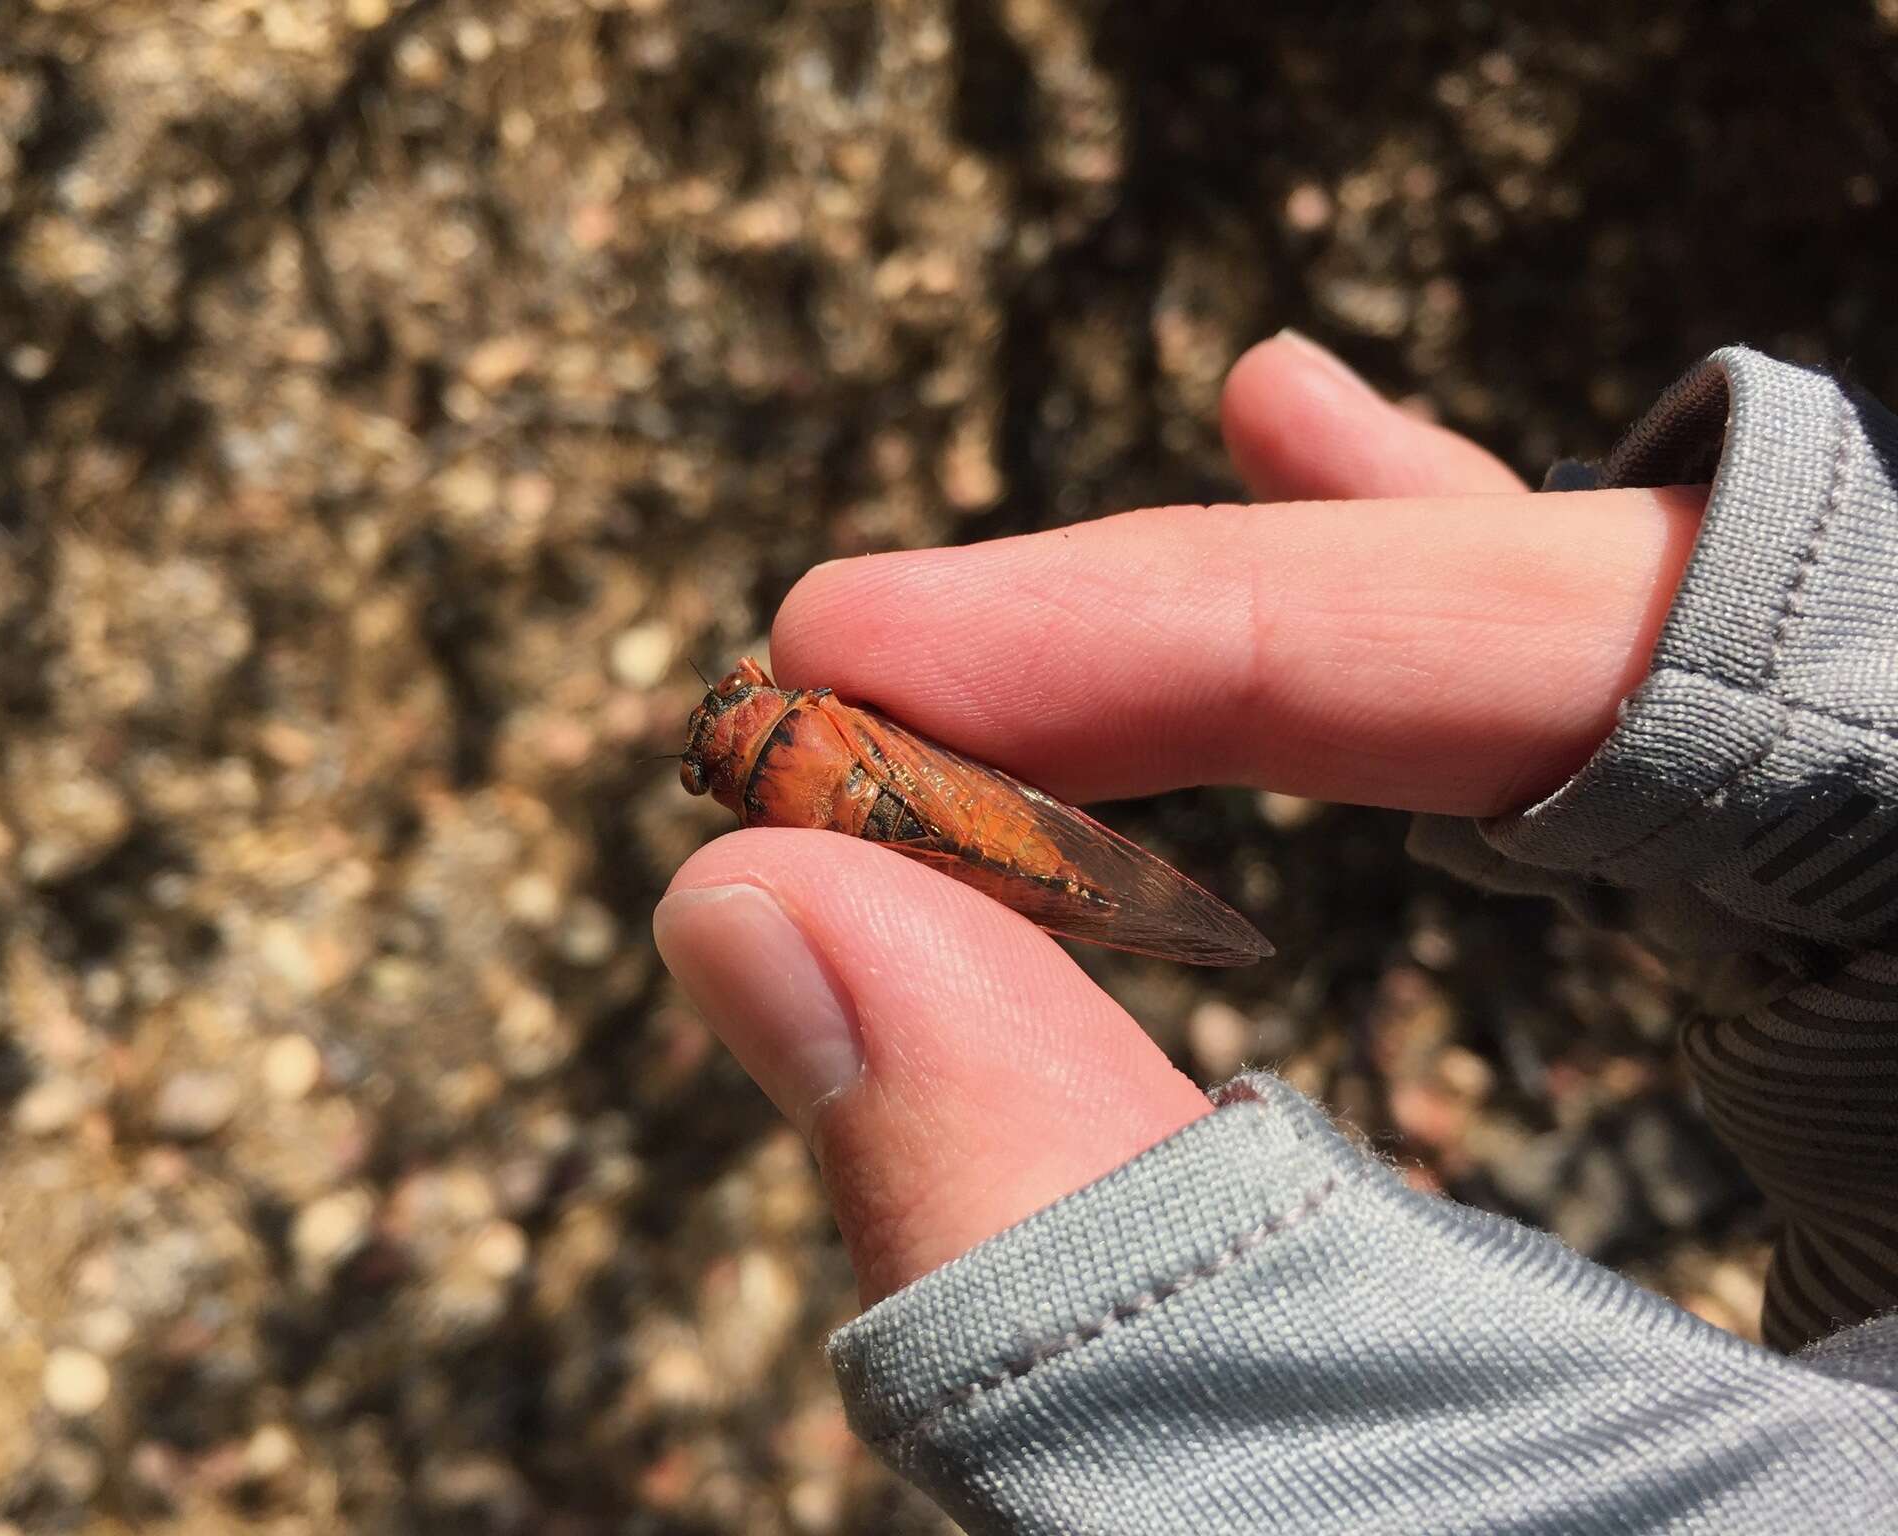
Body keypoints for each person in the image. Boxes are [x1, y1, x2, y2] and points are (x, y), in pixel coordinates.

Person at [654, 333, 1898, 1532]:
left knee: (1042, 868)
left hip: (970, 825)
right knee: (1049, 858)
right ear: (783, 706)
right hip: (972, 817)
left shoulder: (793, 774)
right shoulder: (816, 716)